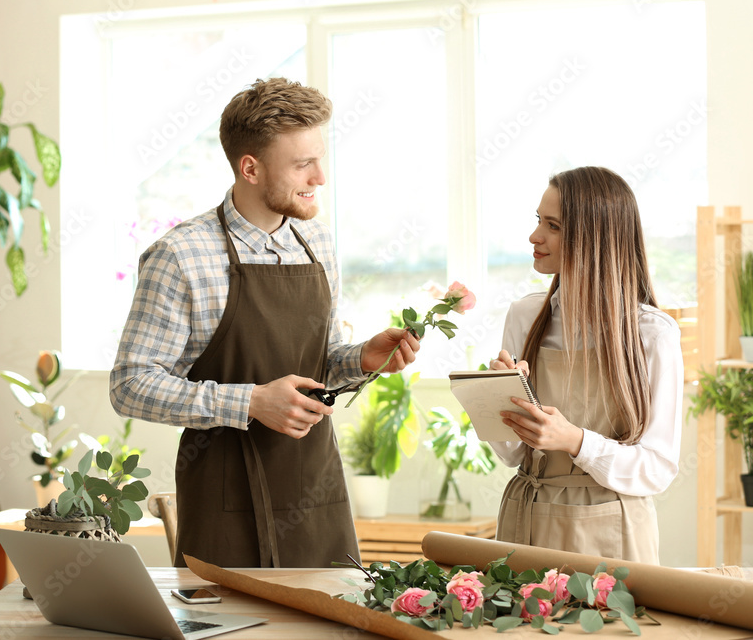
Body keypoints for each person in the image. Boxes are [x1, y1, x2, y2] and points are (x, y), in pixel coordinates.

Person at [109, 77, 419, 568]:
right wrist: (252, 401)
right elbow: (130, 385)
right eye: (302, 165)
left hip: (317, 494)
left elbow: (320, 368)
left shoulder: (317, 242)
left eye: (320, 158)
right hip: (223, 500)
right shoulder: (182, 255)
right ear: (250, 168)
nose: (320, 178)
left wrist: (360, 359)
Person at [487, 166, 683, 565]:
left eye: (553, 226)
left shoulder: (652, 334)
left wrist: (576, 441)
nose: (535, 236)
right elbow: (510, 454)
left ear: (595, 237)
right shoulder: (524, 316)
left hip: (612, 535)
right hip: (525, 525)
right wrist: (498, 400)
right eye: (538, 220)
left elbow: (656, 469)